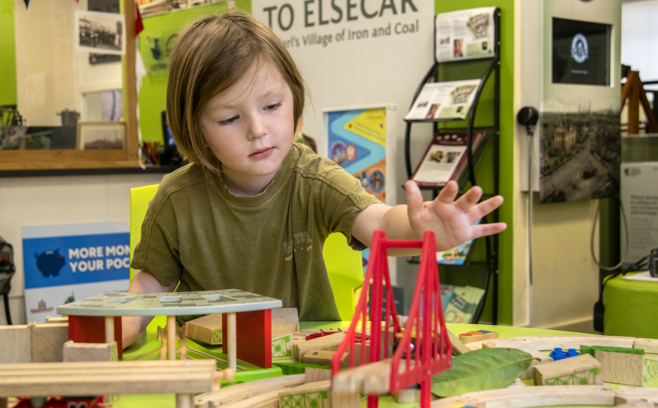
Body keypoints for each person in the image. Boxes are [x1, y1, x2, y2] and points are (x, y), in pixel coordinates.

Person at [124, 12, 506, 347]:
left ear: (294, 99)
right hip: (208, 363)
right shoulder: (175, 198)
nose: (258, 130)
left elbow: (379, 223)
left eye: (272, 106)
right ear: (194, 129)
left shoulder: (315, 180)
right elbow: (148, 287)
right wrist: (119, 332)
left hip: (302, 360)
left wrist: (426, 231)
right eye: (229, 118)